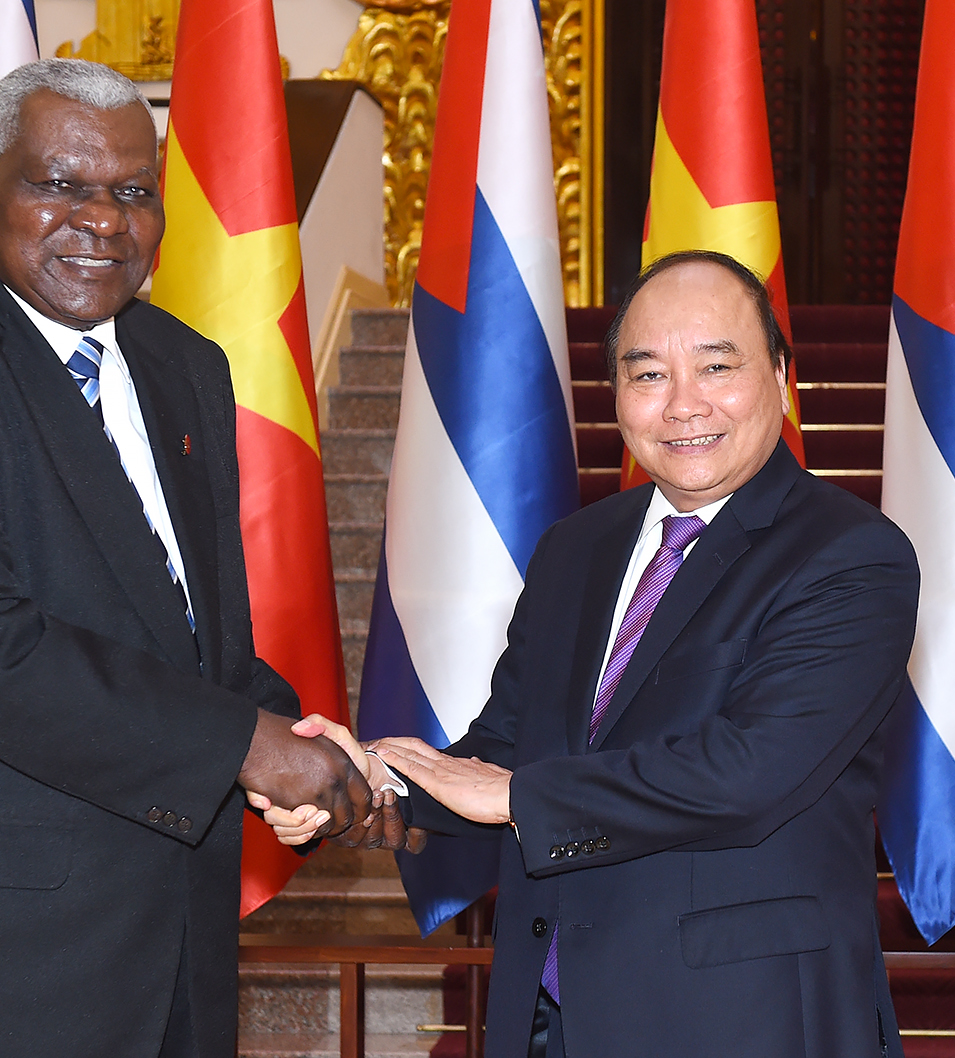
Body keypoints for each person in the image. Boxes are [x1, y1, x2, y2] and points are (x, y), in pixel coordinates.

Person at [0, 58, 371, 1058]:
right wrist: (245, 745)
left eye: (134, 192)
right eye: (59, 184)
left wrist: (318, 746)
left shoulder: (183, 365)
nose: (103, 220)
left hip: (174, 957)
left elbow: (192, 641)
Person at [265, 250, 919, 1058]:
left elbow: (748, 774)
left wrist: (517, 797)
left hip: (743, 1020)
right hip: (548, 1016)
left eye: (716, 367)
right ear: (615, 393)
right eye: (648, 375)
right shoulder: (576, 547)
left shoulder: (851, 554)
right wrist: (363, 779)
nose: (683, 404)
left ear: (782, 378)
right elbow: (509, 745)